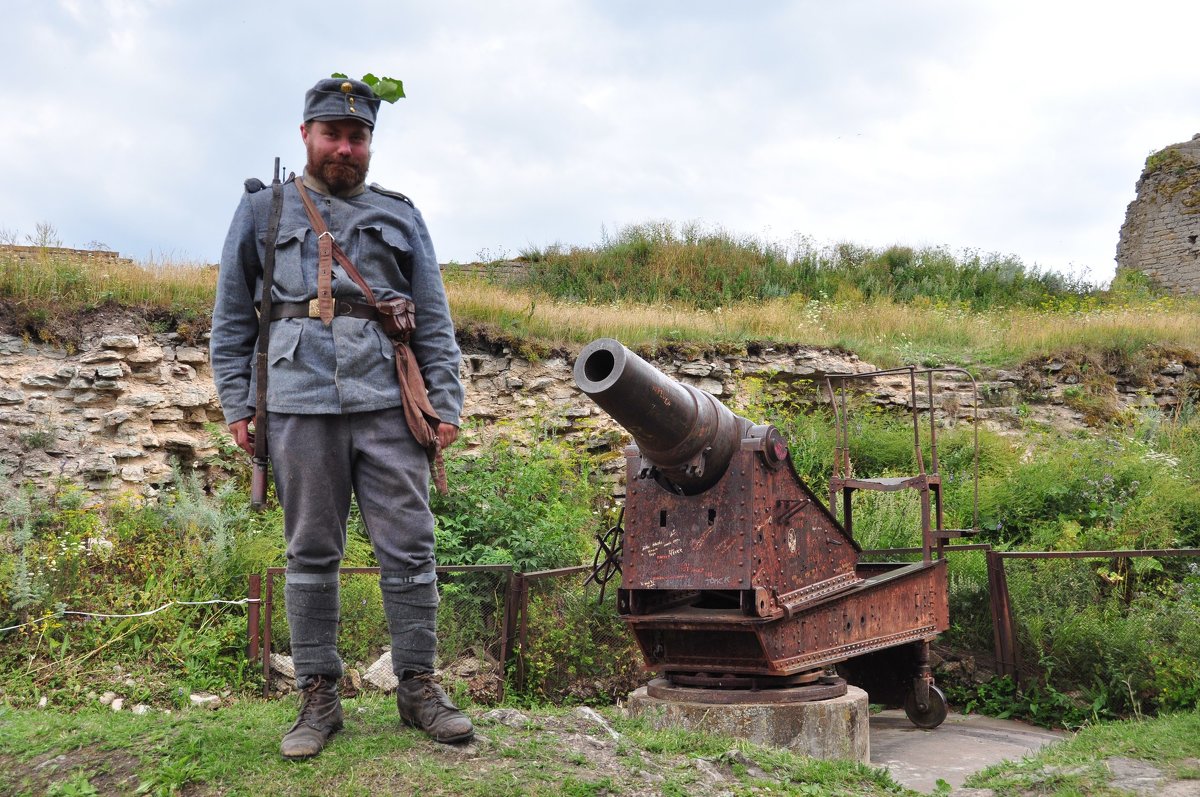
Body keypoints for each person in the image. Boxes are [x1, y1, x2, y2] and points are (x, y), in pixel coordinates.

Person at [210, 77, 471, 759]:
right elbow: (233, 318)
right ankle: (318, 696)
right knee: (310, 554)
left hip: (389, 402)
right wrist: (239, 403)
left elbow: (434, 320)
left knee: (410, 547)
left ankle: (418, 686)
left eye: (358, 137)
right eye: (333, 133)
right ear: (307, 135)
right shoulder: (262, 211)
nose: (345, 148)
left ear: (369, 144)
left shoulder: (402, 215)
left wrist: (443, 402)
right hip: (297, 403)